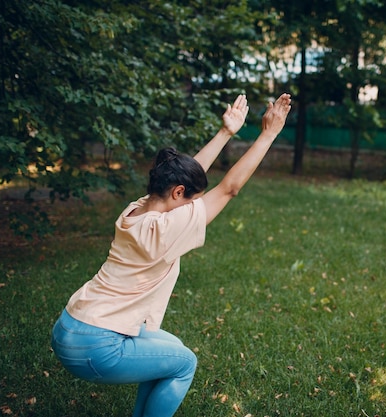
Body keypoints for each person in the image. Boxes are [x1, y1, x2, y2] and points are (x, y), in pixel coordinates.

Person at [51, 93, 291, 417]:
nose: (193, 208)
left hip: (71, 323)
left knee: (173, 351)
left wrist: (226, 132)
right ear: (178, 193)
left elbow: (186, 179)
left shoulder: (137, 210)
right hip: (95, 345)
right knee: (185, 364)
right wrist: (269, 133)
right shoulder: (164, 229)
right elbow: (229, 188)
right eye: (190, 200)